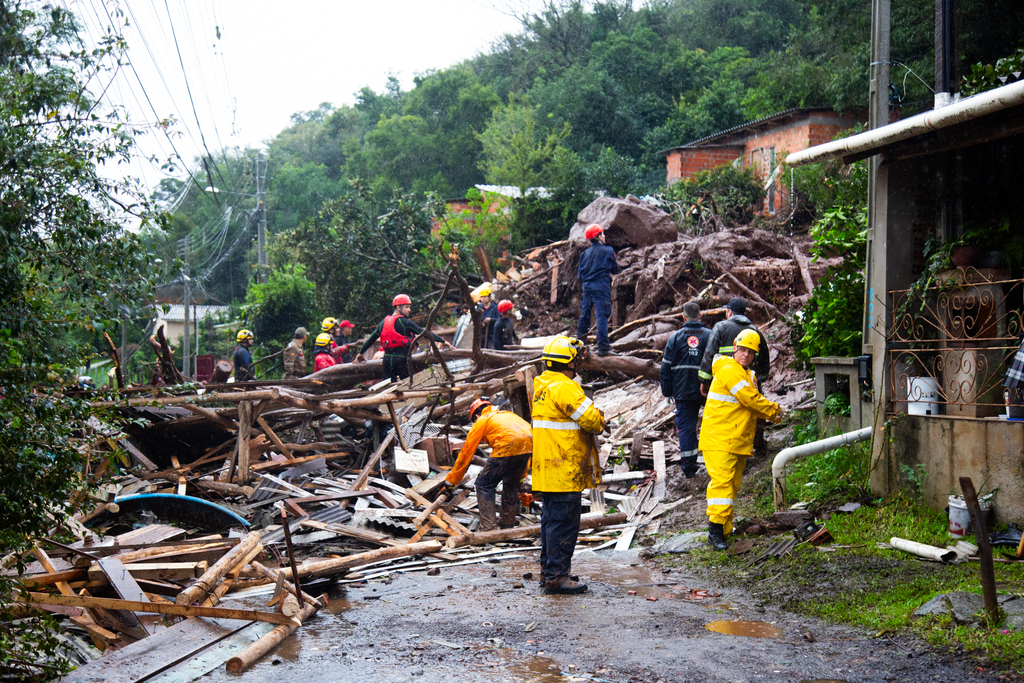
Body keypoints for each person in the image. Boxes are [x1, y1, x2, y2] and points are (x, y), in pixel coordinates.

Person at [531, 335, 606, 594]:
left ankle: (549, 571)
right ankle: (557, 578)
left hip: (549, 469)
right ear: (570, 361)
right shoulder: (565, 387)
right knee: (564, 523)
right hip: (564, 467)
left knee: (551, 522)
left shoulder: (541, 386)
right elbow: (592, 421)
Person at [699, 329, 783, 551]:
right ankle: (715, 532)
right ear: (734, 348)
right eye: (742, 350)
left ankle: (724, 531)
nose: (745, 355)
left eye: (750, 352)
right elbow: (751, 400)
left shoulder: (747, 374)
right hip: (720, 439)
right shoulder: (729, 371)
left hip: (734, 439)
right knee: (722, 486)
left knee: (731, 487)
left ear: (755, 355)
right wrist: (776, 412)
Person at [443, 398, 532, 531]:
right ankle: (507, 524)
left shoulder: (483, 419)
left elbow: (467, 452)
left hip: (506, 446)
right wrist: (521, 477)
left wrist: (452, 480)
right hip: (529, 446)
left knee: (484, 485)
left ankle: (489, 529)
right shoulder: (508, 415)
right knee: (511, 485)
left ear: (476, 415)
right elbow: (523, 446)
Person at [698, 297, 771, 453]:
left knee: (728, 413)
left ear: (729, 312)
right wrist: (759, 379)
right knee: (754, 407)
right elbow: (764, 358)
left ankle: (730, 446)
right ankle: (757, 442)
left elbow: (709, 354)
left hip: (726, 381)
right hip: (749, 379)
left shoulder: (721, 327)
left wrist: (704, 380)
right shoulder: (754, 330)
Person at [660, 302, 710, 479]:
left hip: (683, 391)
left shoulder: (675, 338)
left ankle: (689, 468)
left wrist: (667, 393)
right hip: (708, 389)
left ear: (683, 317)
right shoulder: (709, 336)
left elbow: (665, 368)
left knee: (687, 429)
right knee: (713, 424)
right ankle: (715, 463)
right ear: (701, 316)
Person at [355, 294, 454, 382]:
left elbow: (371, 339)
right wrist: (443, 341)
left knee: (388, 388)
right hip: (402, 360)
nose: (409, 310)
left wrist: (361, 352)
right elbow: (425, 333)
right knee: (407, 387)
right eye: (407, 307)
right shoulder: (405, 323)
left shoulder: (383, 323)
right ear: (398, 307)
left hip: (387, 360)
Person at [577, 223, 620, 356]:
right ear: (598, 236)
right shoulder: (608, 250)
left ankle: (579, 346)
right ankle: (603, 348)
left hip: (587, 289)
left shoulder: (584, 254)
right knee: (601, 317)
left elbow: (579, 276)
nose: (604, 235)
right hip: (601, 288)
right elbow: (615, 269)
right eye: (602, 233)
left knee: (585, 317)